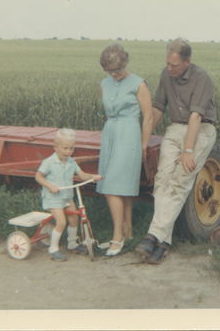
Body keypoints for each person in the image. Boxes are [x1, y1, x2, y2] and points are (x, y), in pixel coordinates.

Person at [135, 38, 217, 264]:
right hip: (175, 128)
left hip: (200, 130)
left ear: (188, 61)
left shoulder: (202, 79)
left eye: (174, 65)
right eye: (167, 64)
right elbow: (158, 108)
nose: (169, 69)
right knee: (162, 179)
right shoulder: (166, 75)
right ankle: (163, 241)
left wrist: (188, 150)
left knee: (181, 178)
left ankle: (154, 235)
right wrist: (144, 139)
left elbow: (196, 117)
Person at [97, 43, 153, 256]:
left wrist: (144, 143)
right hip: (110, 132)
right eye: (110, 71)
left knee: (113, 186)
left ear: (125, 64)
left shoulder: (138, 84)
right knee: (118, 186)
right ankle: (128, 231)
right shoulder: (104, 83)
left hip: (130, 134)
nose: (115, 74)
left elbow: (147, 116)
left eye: (118, 70)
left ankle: (117, 238)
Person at [35, 129, 102, 261]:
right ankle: (53, 248)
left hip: (67, 196)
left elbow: (81, 174)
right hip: (53, 198)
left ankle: (72, 243)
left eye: (71, 148)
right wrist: (50, 186)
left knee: (74, 219)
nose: (68, 152)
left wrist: (93, 177)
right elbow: (38, 176)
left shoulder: (71, 161)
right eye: (65, 148)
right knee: (61, 222)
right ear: (56, 147)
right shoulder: (49, 162)